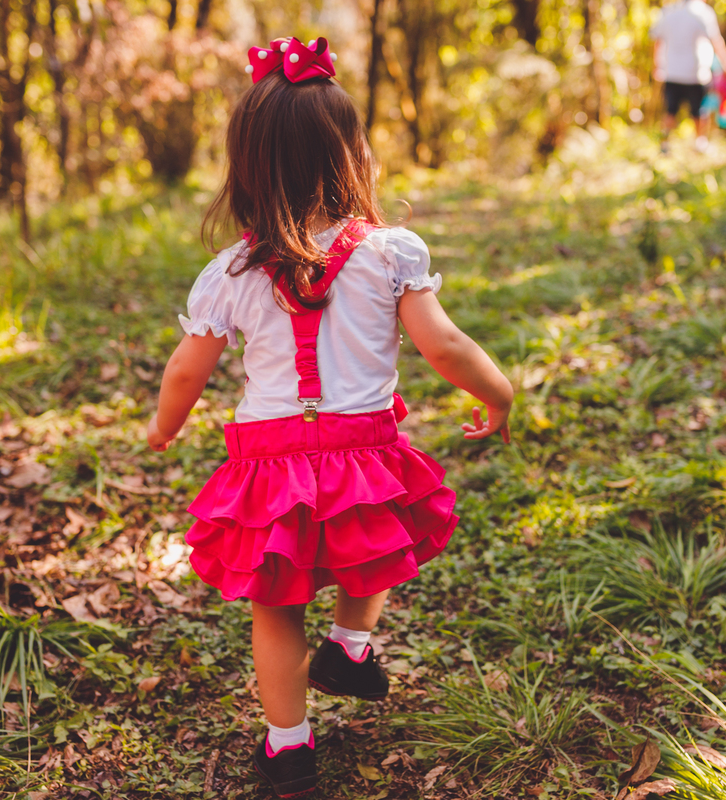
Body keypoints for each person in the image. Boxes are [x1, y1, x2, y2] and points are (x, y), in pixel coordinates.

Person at [145, 36, 514, 798]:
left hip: (268, 462)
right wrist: (497, 391)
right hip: (362, 449)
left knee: (276, 606)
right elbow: (442, 344)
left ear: (247, 165)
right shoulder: (392, 254)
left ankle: (289, 750)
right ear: (352, 154)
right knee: (369, 543)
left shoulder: (233, 271)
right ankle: (349, 644)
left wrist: (164, 427)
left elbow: (187, 369)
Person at [651, 0, 726, 152]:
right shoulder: (704, 12)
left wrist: (657, 66)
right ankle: (699, 143)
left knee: (671, 110)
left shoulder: (667, 12)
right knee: (699, 111)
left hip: (672, 72)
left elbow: (658, 40)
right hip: (696, 73)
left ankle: (665, 144)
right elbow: (716, 40)